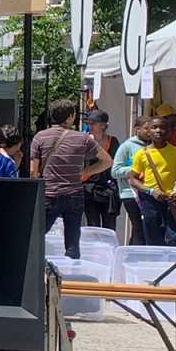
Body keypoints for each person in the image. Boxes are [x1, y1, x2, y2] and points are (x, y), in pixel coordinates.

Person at [30, 100, 112, 260]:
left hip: (49, 194)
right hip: (74, 194)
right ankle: (71, 270)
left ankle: (36, 268)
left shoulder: (40, 137)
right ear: (69, 117)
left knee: (36, 236)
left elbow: (33, 171)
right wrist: (86, 172)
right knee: (73, 241)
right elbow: (107, 161)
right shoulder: (83, 138)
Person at [129, 118, 176, 246]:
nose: (158, 131)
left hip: (172, 201)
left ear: (169, 131)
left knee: (174, 239)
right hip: (150, 200)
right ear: (148, 131)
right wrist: (151, 191)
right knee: (153, 238)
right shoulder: (141, 154)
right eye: (154, 127)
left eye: (162, 128)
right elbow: (132, 179)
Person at [112, 117, 151, 245]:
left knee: (146, 227)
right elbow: (115, 171)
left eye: (151, 128)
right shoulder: (127, 146)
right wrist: (135, 170)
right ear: (137, 129)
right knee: (138, 225)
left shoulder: (154, 146)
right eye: (146, 128)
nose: (149, 132)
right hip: (130, 193)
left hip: (149, 191)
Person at [82, 111, 121, 230]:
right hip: (89, 188)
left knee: (109, 226)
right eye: (88, 123)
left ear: (103, 126)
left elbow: (115, 163)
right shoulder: (84, 141)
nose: (90, 126)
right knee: (93, 225)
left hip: (108, 189)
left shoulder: (112, 141)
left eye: (94, 123)